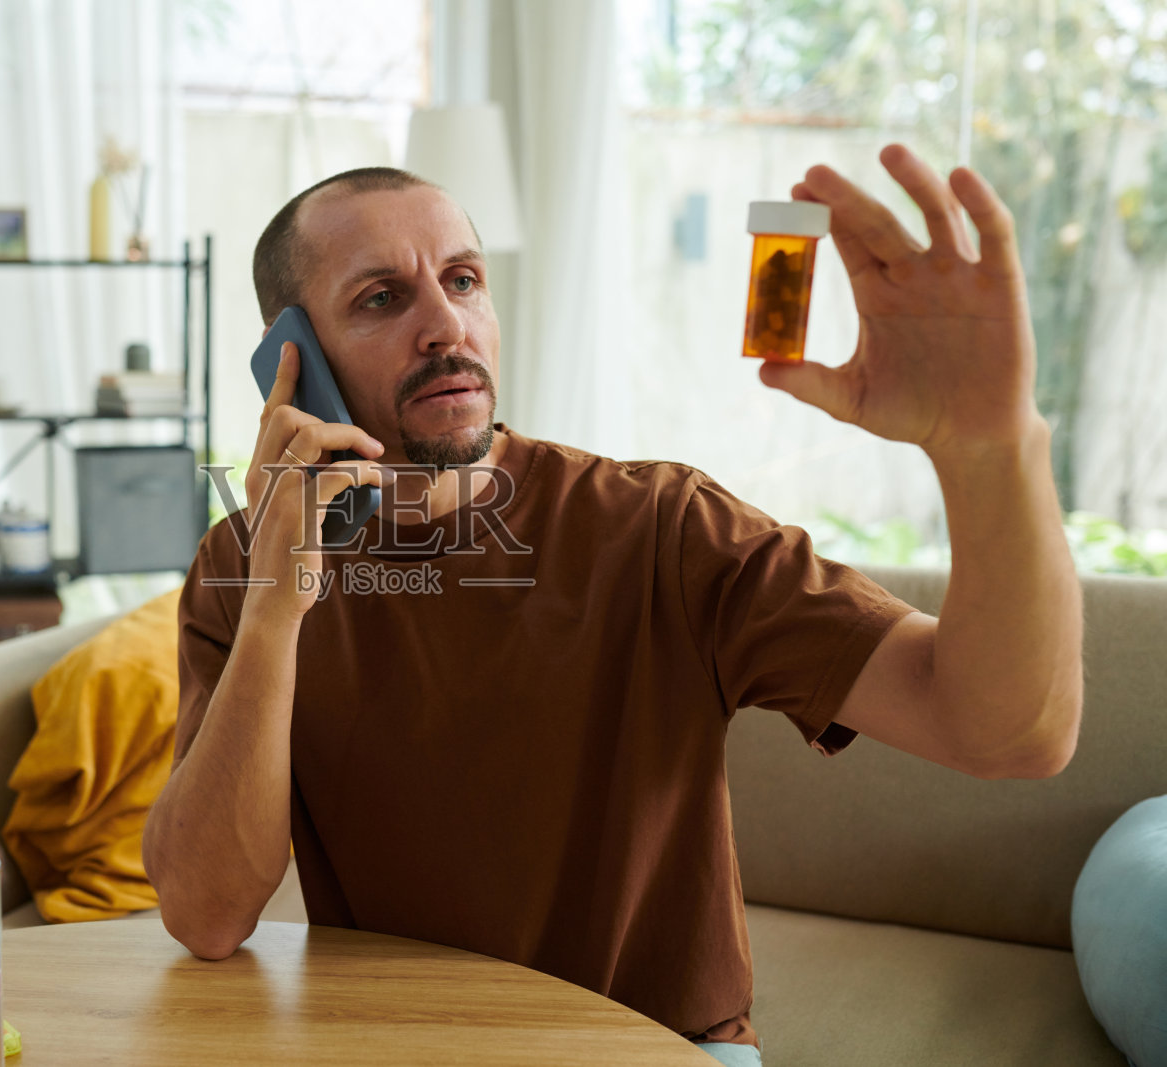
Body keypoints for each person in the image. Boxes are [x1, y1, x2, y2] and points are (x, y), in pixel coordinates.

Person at [140, 146, 1083, 1066]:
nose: (447, 328)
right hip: (399, 1043)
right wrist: (274, 609)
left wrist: (989, 445)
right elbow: (208, 913)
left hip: (658, 1049)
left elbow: (1008, 735)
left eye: (464, 281)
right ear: (292, 360)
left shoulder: (664, 527)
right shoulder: (245, 563)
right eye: (384, 298)